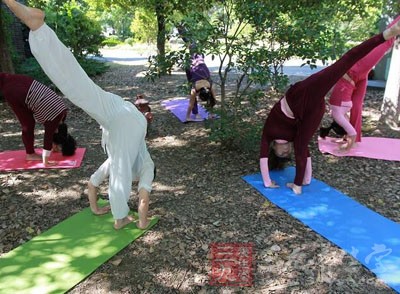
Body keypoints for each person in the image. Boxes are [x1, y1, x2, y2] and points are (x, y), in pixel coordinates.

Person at [3, 0, 155, 230]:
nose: (135, 182)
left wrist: (95, 208)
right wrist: (137, 221)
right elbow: (143, 198)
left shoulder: (116, 158)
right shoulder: (144, 165)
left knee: (79, 87)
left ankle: (40, 31)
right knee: (79, 90)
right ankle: (120, 216)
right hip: (124, 121)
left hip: (121, 110)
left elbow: (92, 184)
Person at [260, 20, 400, 195]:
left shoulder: (268, 134)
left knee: (344, 63)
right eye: (286, 154)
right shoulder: (294, 138)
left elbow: (263, 158)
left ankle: (386, 35)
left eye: (282, 153)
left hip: (298, 96)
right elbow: (304, 152)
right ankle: (299, 183)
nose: (286, 151)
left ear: (274, 148)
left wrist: (266, 182)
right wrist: (306, 179)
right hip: (312, 110)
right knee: (302, 146)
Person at [323, 15, 400, 150]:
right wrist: (349, 136)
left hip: (355, 71)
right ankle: (357, 138)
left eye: (346, 126)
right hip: (358, 78)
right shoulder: (340, 113)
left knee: (387, 40)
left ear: (341, 124)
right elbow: (349, 125)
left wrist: (347, 145)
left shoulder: (337, 114)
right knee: (357, 106)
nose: (348, 123)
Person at [0, 72, 76, 166]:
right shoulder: (53, 121)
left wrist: (54, 143)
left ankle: (32, 152)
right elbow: (47, 138)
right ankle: (30, 154)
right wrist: (46, 160)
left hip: (21, 81)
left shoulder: (63, 113)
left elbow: (54, 132)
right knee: (27, 124)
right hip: (15, 91)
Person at [185, 52, 217, 121]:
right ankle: (196, 113)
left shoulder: (210, 86)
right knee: (192, 98)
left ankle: (207, 113)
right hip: (191, 65)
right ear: (199, 93)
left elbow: (213, 100)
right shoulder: (195, 88)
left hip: (201, 65)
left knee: (194, 48)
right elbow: (191, 103)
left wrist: (212, 113)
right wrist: (187, 117)